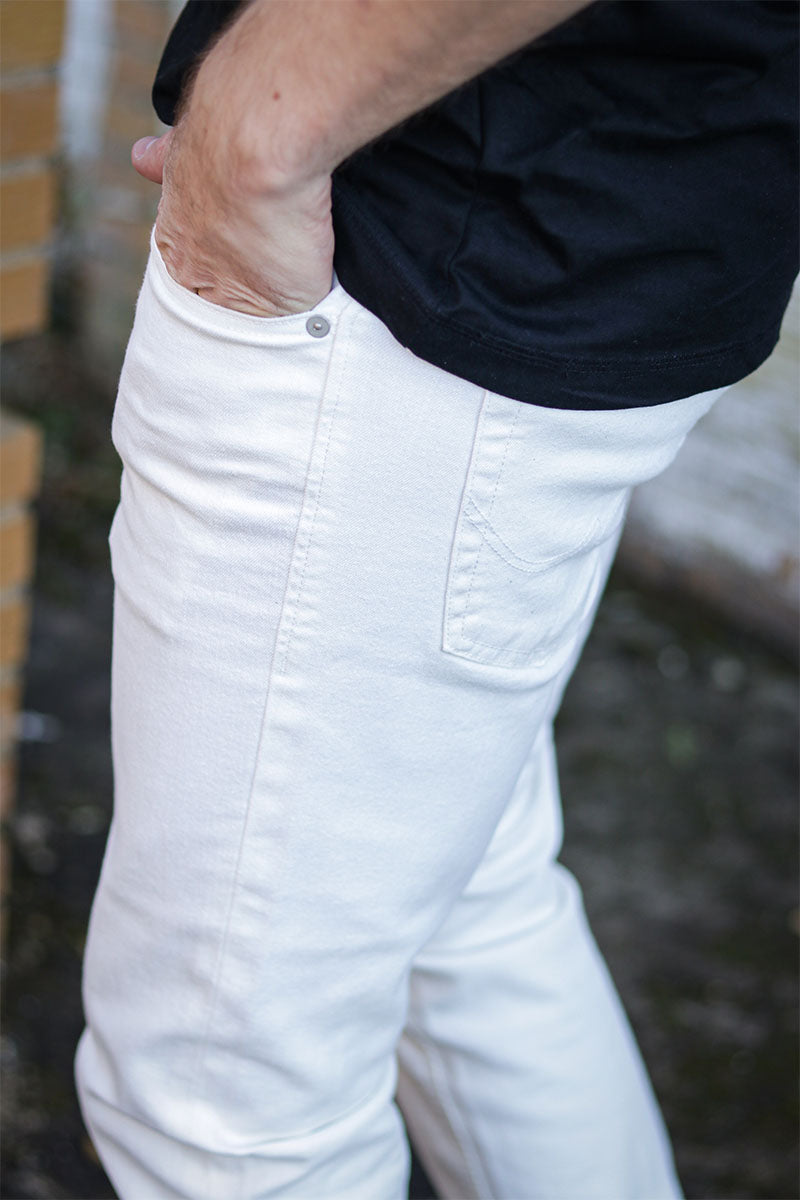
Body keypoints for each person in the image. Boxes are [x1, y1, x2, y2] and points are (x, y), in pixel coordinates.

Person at [74, 1, 799, 1197]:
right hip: (554, 218)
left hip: (398, 262)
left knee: (222, 1110)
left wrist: (259, 128)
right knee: (459, 918)